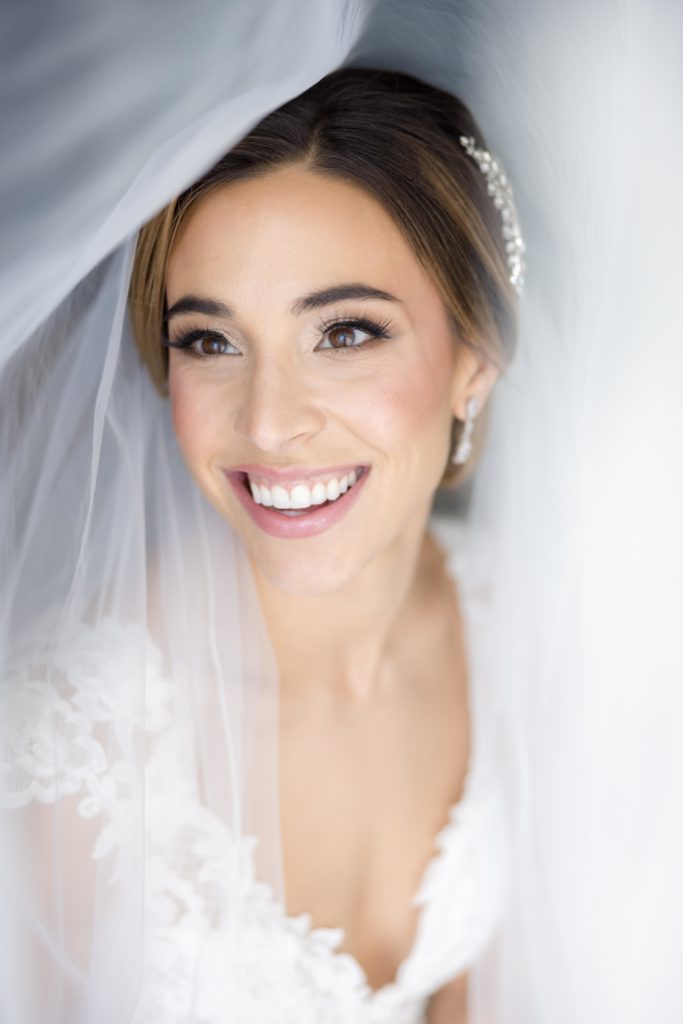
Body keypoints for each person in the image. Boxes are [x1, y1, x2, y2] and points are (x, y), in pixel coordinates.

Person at [1, 66, 521, 1023]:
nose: (270, 422)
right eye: (210, 342)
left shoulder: (518, 629)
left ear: (472, 362)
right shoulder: (60, 753)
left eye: (346, 331)